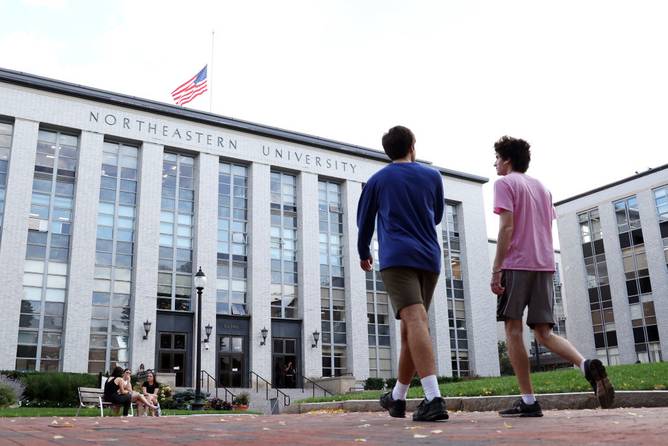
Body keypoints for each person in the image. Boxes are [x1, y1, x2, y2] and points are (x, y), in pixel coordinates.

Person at [490, 136, 615, 417]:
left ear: (507, 160)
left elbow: (506, 228)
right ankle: (585, 365)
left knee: (513, 329)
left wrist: (497, 267)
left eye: (497, 158)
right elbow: (545, 225)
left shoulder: (504, 183)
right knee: (544, 332)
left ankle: (529, 401)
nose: (495, 163)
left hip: (517, 264)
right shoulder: (542, 188)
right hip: (545, 265)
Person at [357, 125, 448, 422]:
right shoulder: (433, 176)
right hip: (429, 258)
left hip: (397, 258)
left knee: (415, 321)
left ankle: (434, 398)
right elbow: (436, 215)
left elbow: (365, 224)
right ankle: (397, 398)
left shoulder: (377, 181)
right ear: (412, 146)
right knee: (411, 327)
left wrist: (364, 253)